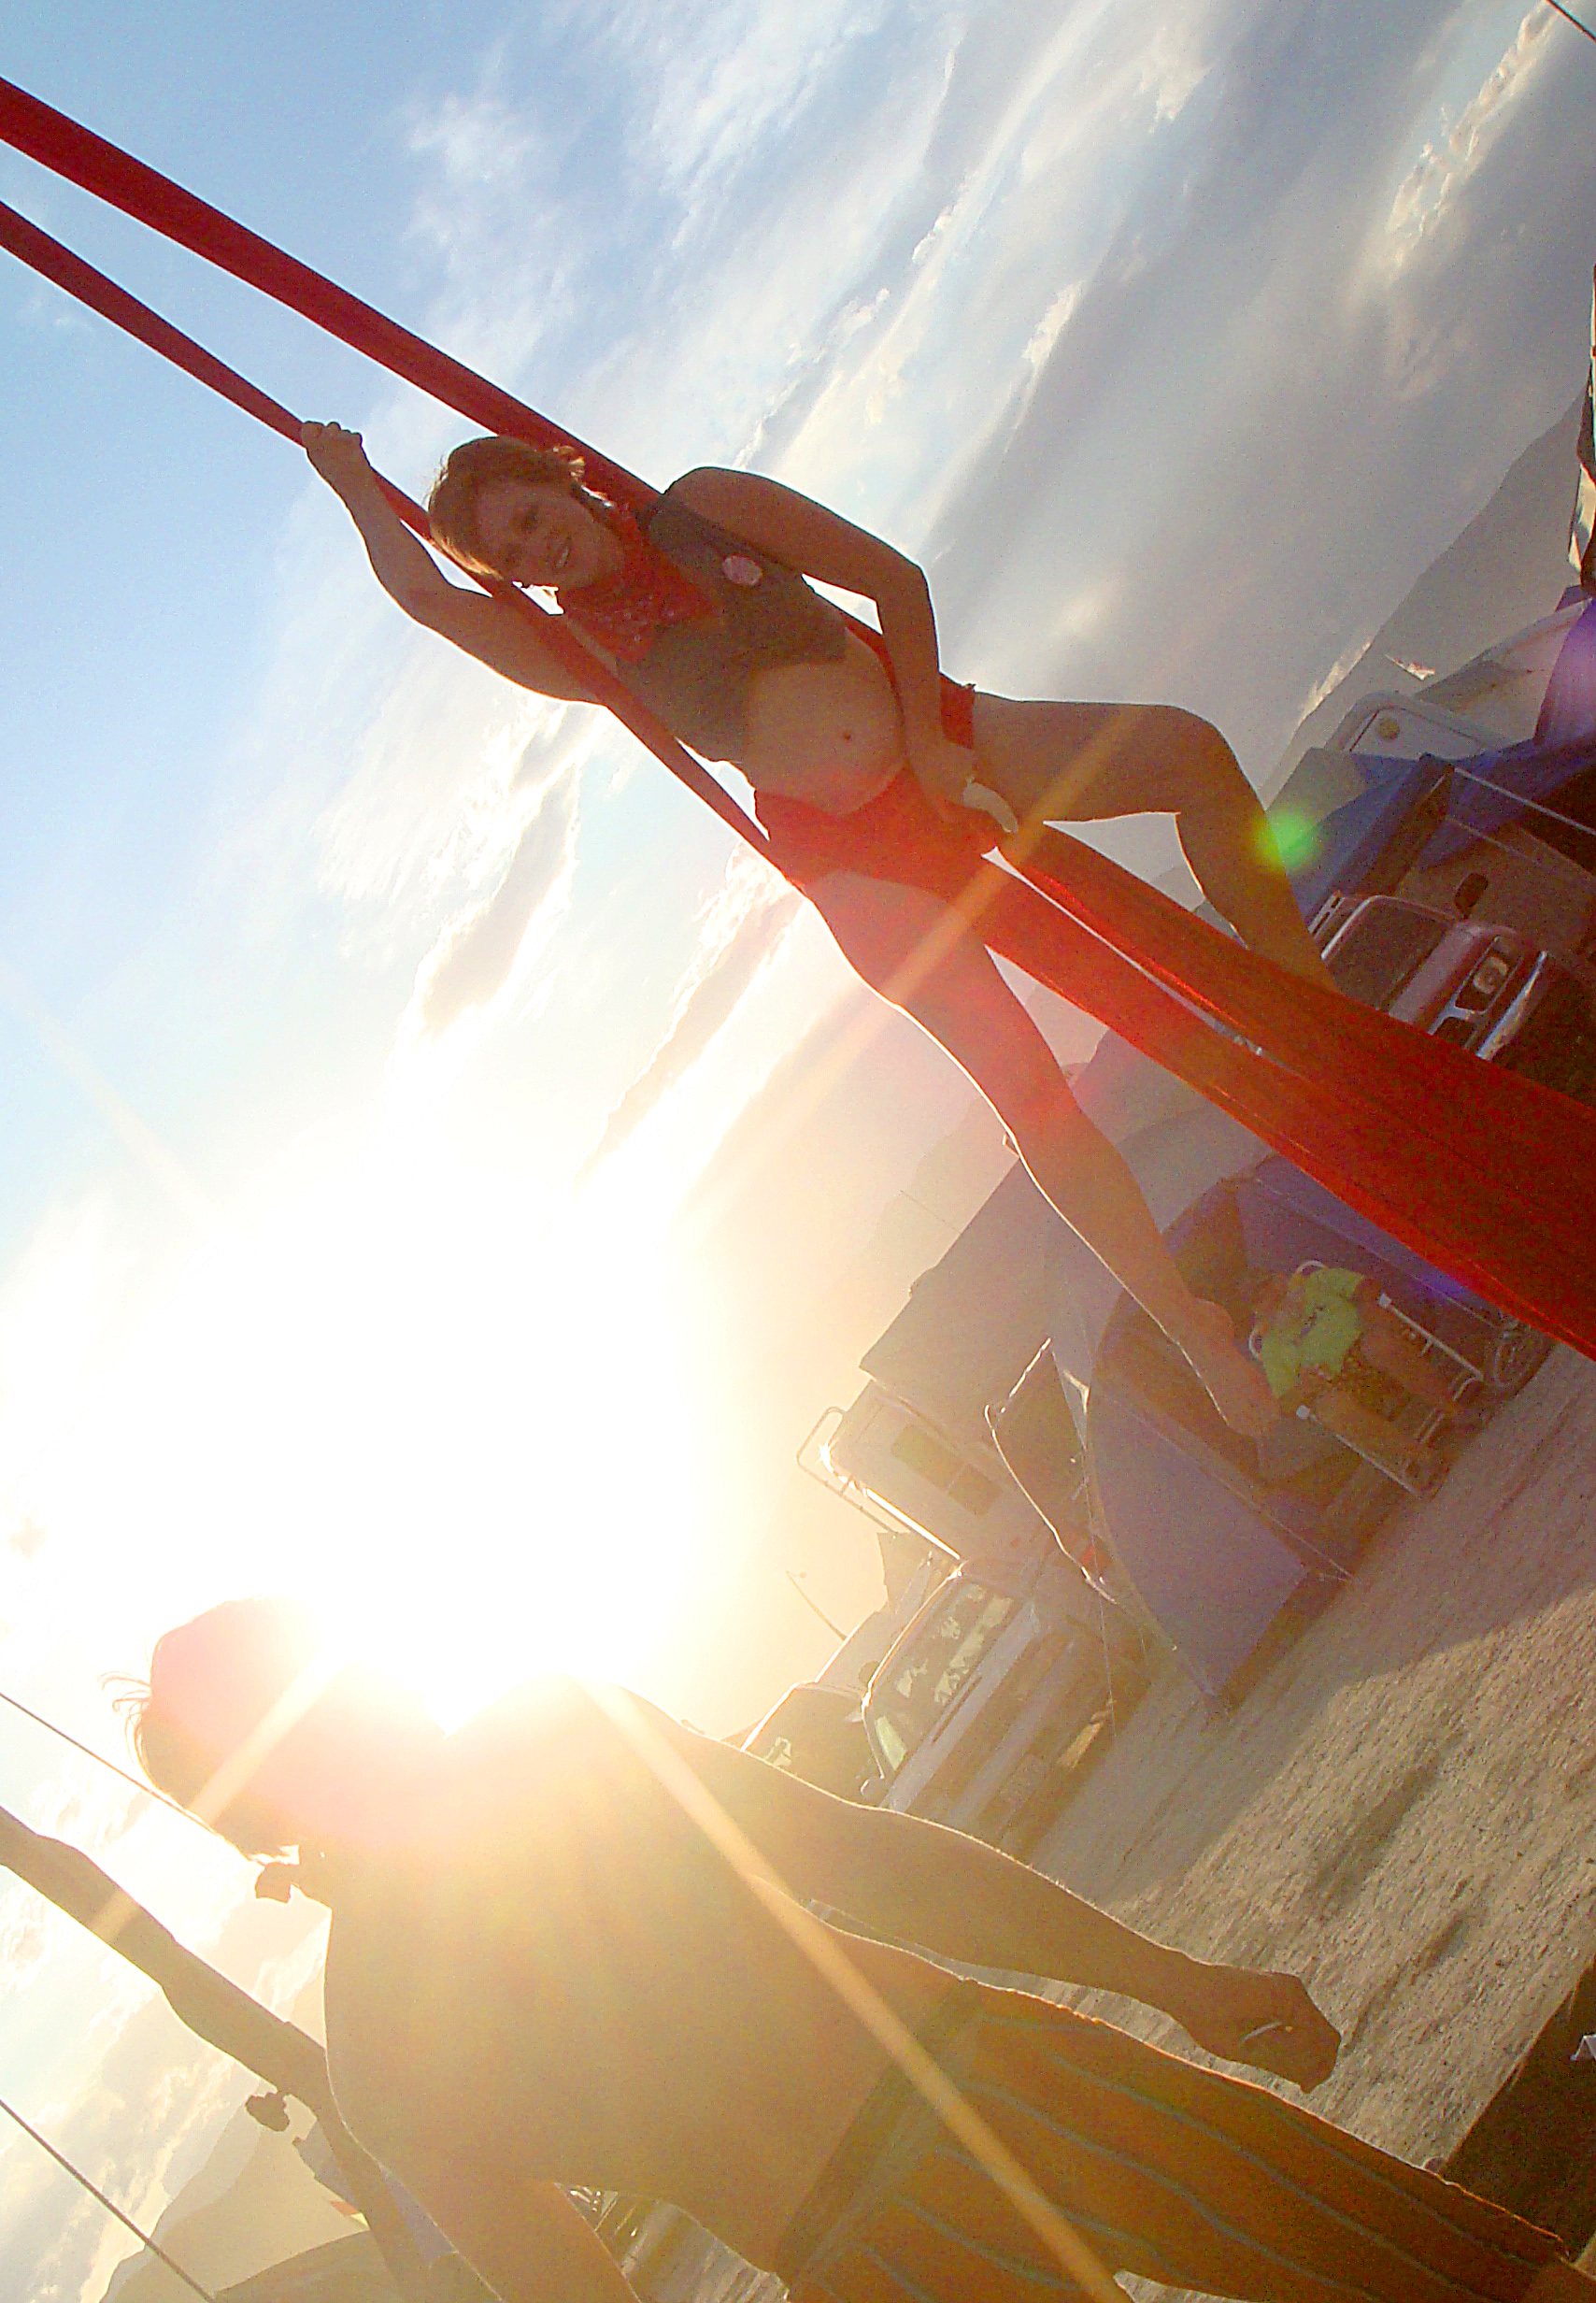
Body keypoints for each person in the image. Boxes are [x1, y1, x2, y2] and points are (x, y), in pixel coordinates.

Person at [302, 423, 1340, 1441]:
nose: (540, 552)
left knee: (1187, 754)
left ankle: (1315, 1008)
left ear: (560, 480)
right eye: (516, 558)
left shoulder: (708, 506)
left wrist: (933, 744)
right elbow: (431, 600)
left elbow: (893, 579)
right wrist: (351, 481)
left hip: (944, 739)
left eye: (532, 519)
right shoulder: (579, 649)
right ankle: (1191, 1328)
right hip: (848, 858)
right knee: (1029, 1092)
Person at [129, 1595, 1589, 2302]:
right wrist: (1172, 1983)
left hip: (873, 2260)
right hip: (1001, 2088)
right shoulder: (554, 1739)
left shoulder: (376, 2052)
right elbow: (875, 1867)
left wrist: (1173, 1983)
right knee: (1438, 2278)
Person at [1251, 1265, 1472, 1494]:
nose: (1272, 1296)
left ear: (1280, 1278)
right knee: (1331, 1412)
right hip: (1341, 1384)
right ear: (1258, 1310)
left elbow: (1366, 1285)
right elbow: (1285, 1403)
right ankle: (1424, 1457)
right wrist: (1304, 1388)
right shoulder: (1272, 1346)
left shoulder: (1318, 1282)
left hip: (1368, 1341)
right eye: (1261, 1298)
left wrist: (1369, 1312)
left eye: (1269, 1286)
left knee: (1379, 1346)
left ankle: (1457, 1412)